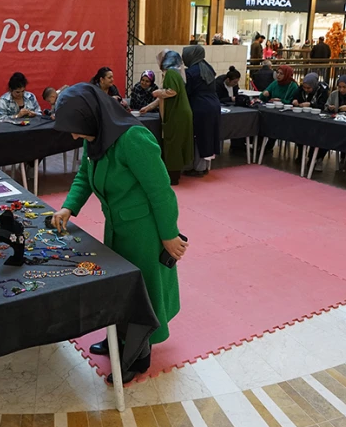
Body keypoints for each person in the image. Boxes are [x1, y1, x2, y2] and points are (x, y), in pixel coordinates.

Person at [50, 84, 185, 383]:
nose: (74, 136)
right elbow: (85, 175)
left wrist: (168, 235)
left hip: (145, 232)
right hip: (117, 227)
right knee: (120, 289)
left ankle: (140, 353)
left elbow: (161, 192)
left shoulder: (133, 139)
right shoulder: (95, 137)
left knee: (144, 292)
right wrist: (68, 208)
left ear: (91, 117)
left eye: (76, 129)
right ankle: (120, 340)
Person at [156, 51, 193, 185]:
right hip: (180, 113)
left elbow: (172, 91)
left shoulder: (171, 73)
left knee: (173, 144)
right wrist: (149, 107)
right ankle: (174, 173)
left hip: (177, 115)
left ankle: (173, 176)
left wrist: (158, 92)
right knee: (176, 144)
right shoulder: (176, 73)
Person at [182, 46, 221, 177]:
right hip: (214, 104)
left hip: (200, 106)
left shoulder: (191, 71)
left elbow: (187, 91)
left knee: (198, 136)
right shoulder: (208, 67)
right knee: (208, 136)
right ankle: (204, 166)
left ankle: (197, 168)